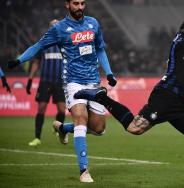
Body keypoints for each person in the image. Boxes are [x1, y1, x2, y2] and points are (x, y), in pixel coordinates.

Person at [74, 1, 184, 187]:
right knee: (134, 128)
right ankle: (101, 97)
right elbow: (180, 71)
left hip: (178, 102)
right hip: (165, 99)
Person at [7, 0, 117, 183]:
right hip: (72, 82)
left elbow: (100, 49)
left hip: (93, 82)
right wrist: (18, 61)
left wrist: (110, 72)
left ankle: (63, 128)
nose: (80, 7)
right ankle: (84, 171)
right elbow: (38, 46)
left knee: (99, 129)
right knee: (81, 119)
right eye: (76, 3)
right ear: (67, 5)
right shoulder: (59, 29)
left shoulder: (93, 23)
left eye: (83, 3)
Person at [26, 20, 67, 147]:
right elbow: (36, 62)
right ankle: (37, 138)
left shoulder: (66, 43)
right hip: (45, 82)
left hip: (60, 82)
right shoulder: (43, 43)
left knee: (62, 110)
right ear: (49, 28)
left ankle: (57, 128)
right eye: (52, 25)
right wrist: (30, 80)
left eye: (57, 25)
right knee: (41, 109)